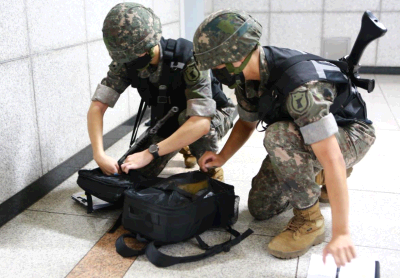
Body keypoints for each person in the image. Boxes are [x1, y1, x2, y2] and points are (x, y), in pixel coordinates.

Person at [193, 10, 376, 266]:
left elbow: (332, 157)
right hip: (303, 135)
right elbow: (247, 123)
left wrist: (341, 232)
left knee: (278, 136)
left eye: (216, 64)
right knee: (260, 208)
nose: (214, 71)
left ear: (236, 56)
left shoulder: (301, 88)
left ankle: (309, 221)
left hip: (350, 133)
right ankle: (317, 175)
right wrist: (222, 156)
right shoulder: (248, 77)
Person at [87, 3, 235, 181]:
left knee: (192, 124)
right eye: (128, 57)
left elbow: (201, 122)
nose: (131, 60)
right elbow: (97, 107)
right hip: (168, 118)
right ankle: (182, 142)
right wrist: (99, 154)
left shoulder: (189, 58)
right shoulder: (126, 61)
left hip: (210, 116)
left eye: (137, 54)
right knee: (133, 174)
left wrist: (151, 152)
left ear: (151, 43)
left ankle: (210, 168)